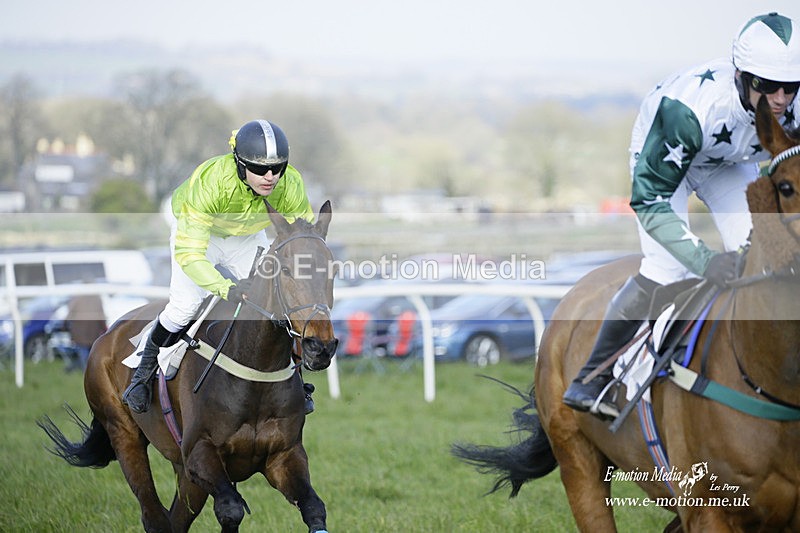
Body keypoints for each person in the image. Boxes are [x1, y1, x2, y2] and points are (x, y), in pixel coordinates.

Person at [562, 12, 800, 419]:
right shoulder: (687, 111)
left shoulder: (794, 107)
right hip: (664, 159)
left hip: (728, 162)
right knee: (669, 269)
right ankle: (593, 377)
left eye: (791, 87)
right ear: (743, 76)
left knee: (767, 254)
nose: (781, 99)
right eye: (767, 86)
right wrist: (705, 261)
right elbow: (649, 201)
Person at [123, 119, 318, 414]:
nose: (270, 177)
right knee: (186, 306)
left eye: (277, 168)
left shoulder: (289, 182)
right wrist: (226, 288)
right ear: (240, 165)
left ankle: (294, 378)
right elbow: (190, 254)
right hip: (199, 232)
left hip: (247, 234)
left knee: (275, 298)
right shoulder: (212, 181)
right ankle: (143, 371)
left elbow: (303, 233)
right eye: (259, 169)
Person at [64, 293, 106, 372]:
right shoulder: (96, 298)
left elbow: (70, 312)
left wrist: (64, 325)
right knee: (91, 355)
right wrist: (104, 329)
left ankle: (86, 373)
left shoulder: (77, 297)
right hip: (94, 332)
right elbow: (101, 315)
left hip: (79, 332)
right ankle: (91, 373)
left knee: (83, 354)